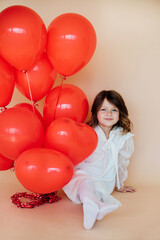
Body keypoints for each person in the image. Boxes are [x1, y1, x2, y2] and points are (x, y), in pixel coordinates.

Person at [63, 90, 136, 230]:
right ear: (96, 112)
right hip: (83, 175)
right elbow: (76, 158)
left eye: (114, 110)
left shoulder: (124, 137)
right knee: (84, 181)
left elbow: (122, 162)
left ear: (120, 113)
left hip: (105, 181)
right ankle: (95, 206)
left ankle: (94, 205)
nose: (109, 114)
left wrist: (119, 184)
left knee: (96, 189)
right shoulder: (87, 132)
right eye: (103, 109)